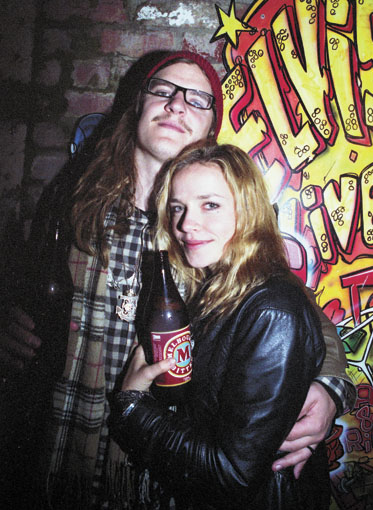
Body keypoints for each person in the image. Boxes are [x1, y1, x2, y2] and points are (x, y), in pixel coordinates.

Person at [0, 50, 353, 509]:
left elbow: (288, 306)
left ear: (211, 128)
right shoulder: (72, 198)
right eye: (162, 90)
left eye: (197, 99)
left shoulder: (213, 228)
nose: (176, 104)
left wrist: (328, 386)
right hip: (62, 440)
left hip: (159, 463)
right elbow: (25, 281)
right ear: (137, 106)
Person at [108, 140, 332, 510]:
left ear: (247, 210)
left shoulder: (270, 308)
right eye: (177, 208)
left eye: (210, 205)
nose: (186, 224)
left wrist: (132, 407)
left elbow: (232, 475)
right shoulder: (219, 289)